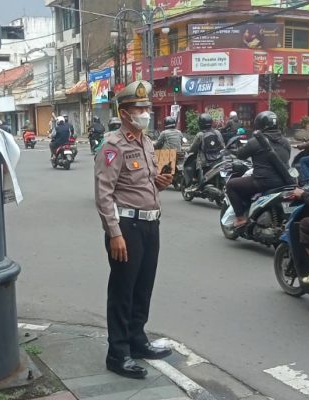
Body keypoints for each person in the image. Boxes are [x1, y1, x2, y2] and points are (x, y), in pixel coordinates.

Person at [94, 80, 174, 380]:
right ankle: (118, 353)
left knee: (143, 288)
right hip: (127, 225)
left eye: (146, 107)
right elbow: (104, 193)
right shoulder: (114, 146)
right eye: (139, 108)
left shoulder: (147, 142)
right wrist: (114, 233)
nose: (145, 112)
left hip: (151, 223)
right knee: (122, 291)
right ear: (125, 113)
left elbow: (144, 184)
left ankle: (137, 341)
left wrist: (160, 185)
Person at [226, 111, 295, 227]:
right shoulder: (286, 142)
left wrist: (231, 150)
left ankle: (240, 218)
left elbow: (241, 155)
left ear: (260, 125)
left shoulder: (256, 141)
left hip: (262, 182)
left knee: (231, 185)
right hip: (284, 182)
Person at [188, 113, 225, 189]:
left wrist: (188, 151)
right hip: (218, 160)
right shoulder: (217, 132)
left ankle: (197, 182)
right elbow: (222, 145)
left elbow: (193, 148)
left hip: (205, 162)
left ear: (200, 124)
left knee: (194, 164)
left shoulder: (200, 134)